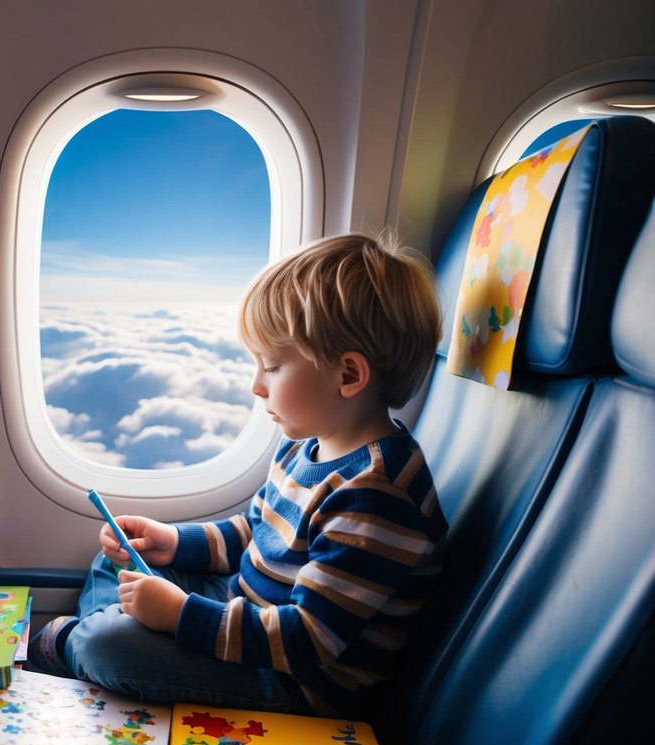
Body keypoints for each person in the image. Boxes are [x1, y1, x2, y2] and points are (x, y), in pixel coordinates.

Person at [29, 231, 449, 719]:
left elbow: (307, 641)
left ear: (348, 376)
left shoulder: (375, 495)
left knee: (109, 644)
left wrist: (180, 615)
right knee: (118, 558)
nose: (256, 385)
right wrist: (173, 542)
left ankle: (84, 648)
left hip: (292, 682)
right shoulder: (305, 448)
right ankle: (104, 644)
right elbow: (255, 533)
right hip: (242, 610)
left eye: (271, 366)